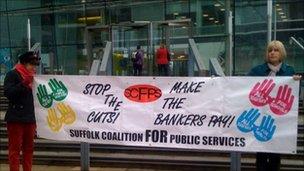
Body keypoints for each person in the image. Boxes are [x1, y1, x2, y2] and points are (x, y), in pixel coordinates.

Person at [248, 40, 301, 171]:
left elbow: (294, 96)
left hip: (279, 119)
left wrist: (296, 83)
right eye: (270, 50)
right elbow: (245, 87)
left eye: (276, 50)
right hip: (260, 117)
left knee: (275, 154)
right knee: (260, 153)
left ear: (281, 53)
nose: (272, 53)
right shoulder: (257, 70)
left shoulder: (290, 71)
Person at [4, 51, 40, 171]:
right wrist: (24, 84)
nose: (34, 67)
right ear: (24, 63)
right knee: (15, 150)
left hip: (30, 118)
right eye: (31, 64)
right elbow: (9, 93)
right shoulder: (12, 74)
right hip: (16, 118)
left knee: (29, 149)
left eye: (35, 65)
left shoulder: (35, 77)